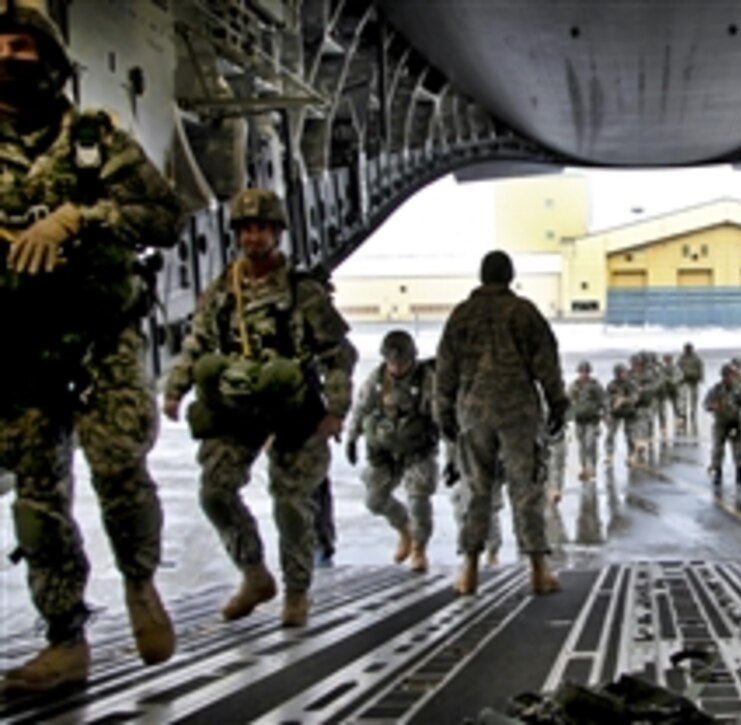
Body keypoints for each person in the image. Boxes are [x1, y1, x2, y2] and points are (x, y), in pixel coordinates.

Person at [0, 2, 180, 691]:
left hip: (101, 338)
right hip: (19, 346)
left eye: (24, 46)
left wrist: (79, 215)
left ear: (49, 60)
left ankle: (140, 583)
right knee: (38, 498)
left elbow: (162, 215)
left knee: (117, 465)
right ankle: (65, 640)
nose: (12, 57)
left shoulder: (95, 136)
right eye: (2, 46)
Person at [163, 188, 357, 628]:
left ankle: (296, 591)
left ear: (277, 234)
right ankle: (253, 572)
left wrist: (336, 410)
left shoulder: (302, 292)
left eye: (262, 229)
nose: (253, 237)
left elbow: (337, 354)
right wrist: (176, 389)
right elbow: (197, 343)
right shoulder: (221, 291)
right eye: (247, 229)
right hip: (239, 405)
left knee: (290, 503)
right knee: (215, 492)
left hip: (292, 407)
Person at [434, 250, 569, 596]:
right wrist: (557, 402)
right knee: (525, 489)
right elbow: (546, 362)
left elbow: (444, 370)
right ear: (510, 276)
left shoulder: (461, 316)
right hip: (518, 412)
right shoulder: (524, 313)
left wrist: (444, 414)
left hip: (473, 412)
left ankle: (469, 571)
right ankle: (539, 571)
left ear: (481, 277)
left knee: (476, 490)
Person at [346, 329, 438, 573]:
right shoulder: (377, 380)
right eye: (392, 362)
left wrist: (453, 450)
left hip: (417, 448)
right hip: (384, 449)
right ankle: (404, 529)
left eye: (402, 362)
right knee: (374, 500)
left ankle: (419, 549)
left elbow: (441, 416)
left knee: (419, 499)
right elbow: (361, 408)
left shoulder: (426, 380)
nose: (396, 368)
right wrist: (352, 437)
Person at [703, 363, 741, 487]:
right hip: (721, 423)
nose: (729, 378)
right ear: (723, 376)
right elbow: (706, 403)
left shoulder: (740, 389)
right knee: (718, 449)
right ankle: (718, 474)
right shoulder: (716, 389)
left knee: (740, 449)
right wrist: (712, 407)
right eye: (727, 375)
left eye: (732, 375)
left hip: (736, 422)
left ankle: (740, 475)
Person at [569, 360, 607, 481]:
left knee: (590, 443)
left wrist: (605, 414)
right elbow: (568, 401)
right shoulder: (573, 386)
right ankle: (584, 467)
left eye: (585, 372)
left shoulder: (595, 385)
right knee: (582, 446)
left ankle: (591, 467)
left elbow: (603, 400)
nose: (583, 374)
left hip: (592, 420)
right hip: (579, 420)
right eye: (581, 372)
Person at [604, 363, 638, 465]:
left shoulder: (631, 384)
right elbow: (606, 398)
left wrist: (623, 400)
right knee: (610, 434)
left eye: (622, 372)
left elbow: (635, 398)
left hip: (629, 412)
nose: (620, 375)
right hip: (615, 413)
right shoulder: (611, 385)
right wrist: (610, 406)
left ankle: (631, 455)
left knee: (630, 435)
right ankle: (609, 455)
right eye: (618, 373)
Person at [676, 343, 704, 436]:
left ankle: (693, 413)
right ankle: (684, 415)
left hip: (693, 381)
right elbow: (677, 369)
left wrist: (701, 378)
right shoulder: (681, 359)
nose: (687, 350)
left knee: (694, 399)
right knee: (683, 399)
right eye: (686, 349)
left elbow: (701, 368)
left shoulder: (696, 359)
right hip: (684, 381)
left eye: (689, 348)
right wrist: (678, 380)